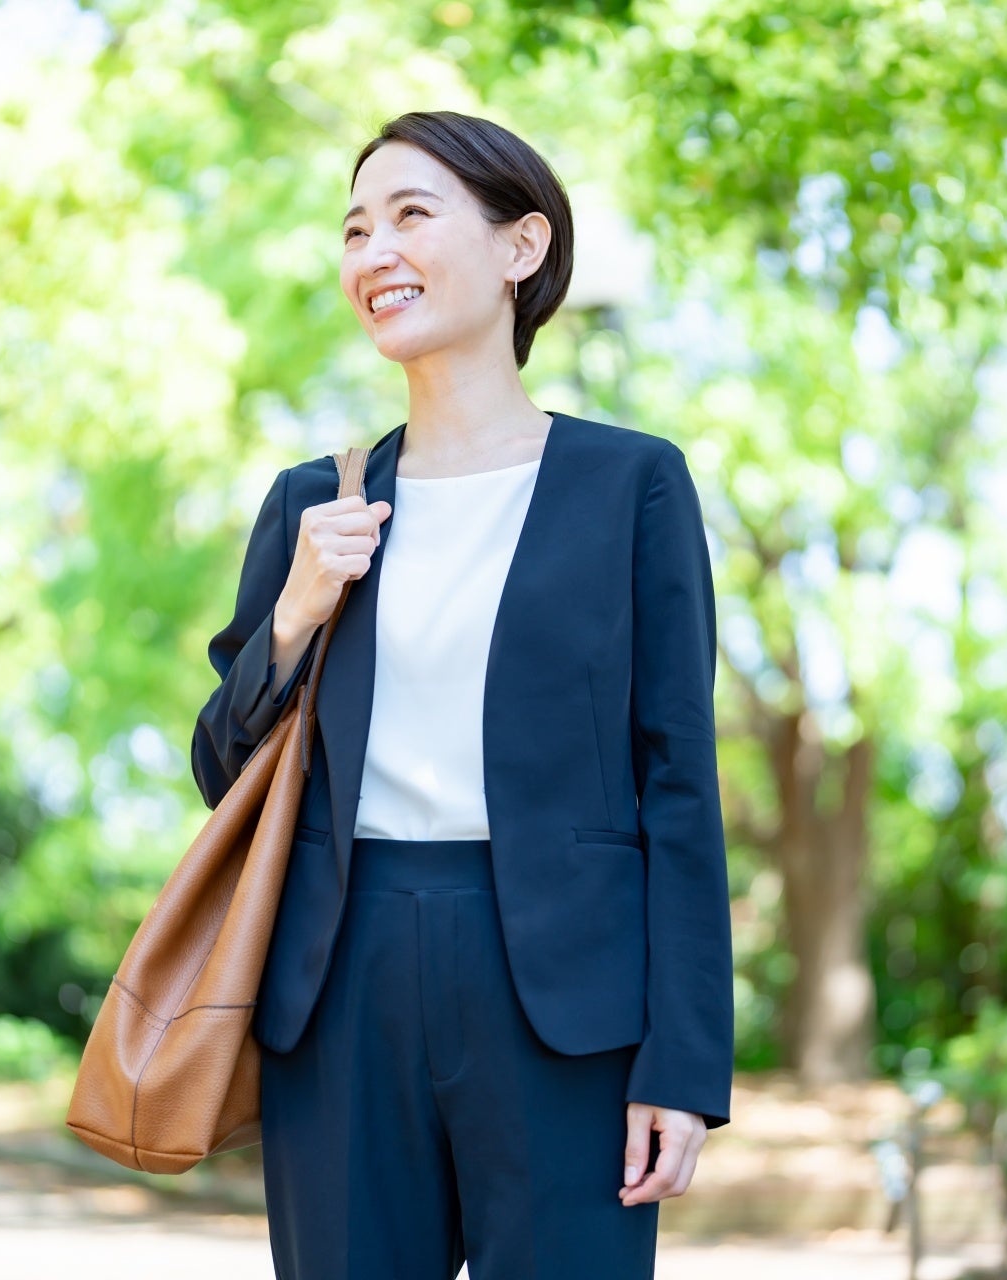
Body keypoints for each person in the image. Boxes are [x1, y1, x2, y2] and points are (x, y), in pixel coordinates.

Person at [189, 109, 733, 1280]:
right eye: (354, 228)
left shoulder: (632, 485)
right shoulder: (312, 504)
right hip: (339, 979)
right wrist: (293, 614)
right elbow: (222, 771)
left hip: (568, 997)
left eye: (410, 214)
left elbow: (680, 783)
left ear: (520, 248)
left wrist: (683, 1069)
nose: (373, 250)